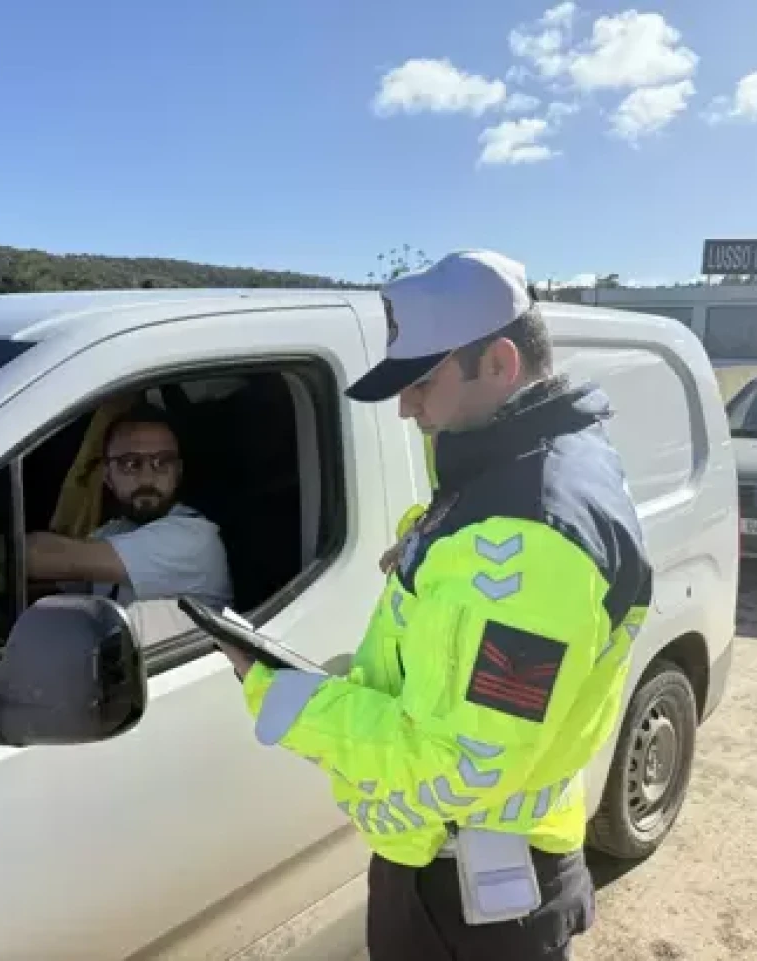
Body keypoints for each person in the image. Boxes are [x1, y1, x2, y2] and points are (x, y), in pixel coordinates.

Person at [215, 250, 652, 960]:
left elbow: (456, 763)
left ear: (500, 363)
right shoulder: (519, 466)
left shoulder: (532, 537)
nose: (405, 405)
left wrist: (281, 693)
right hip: (467, 872)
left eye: (421, 381)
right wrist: (425, 542)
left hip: (470, 903)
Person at [25, 402, 234, 612]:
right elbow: (58, 584)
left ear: (178, 472)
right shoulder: (114, 531)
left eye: (162, 462)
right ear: (107, 476)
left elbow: (40, 557)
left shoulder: (193, 538)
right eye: (130, 463)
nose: (147, 478)